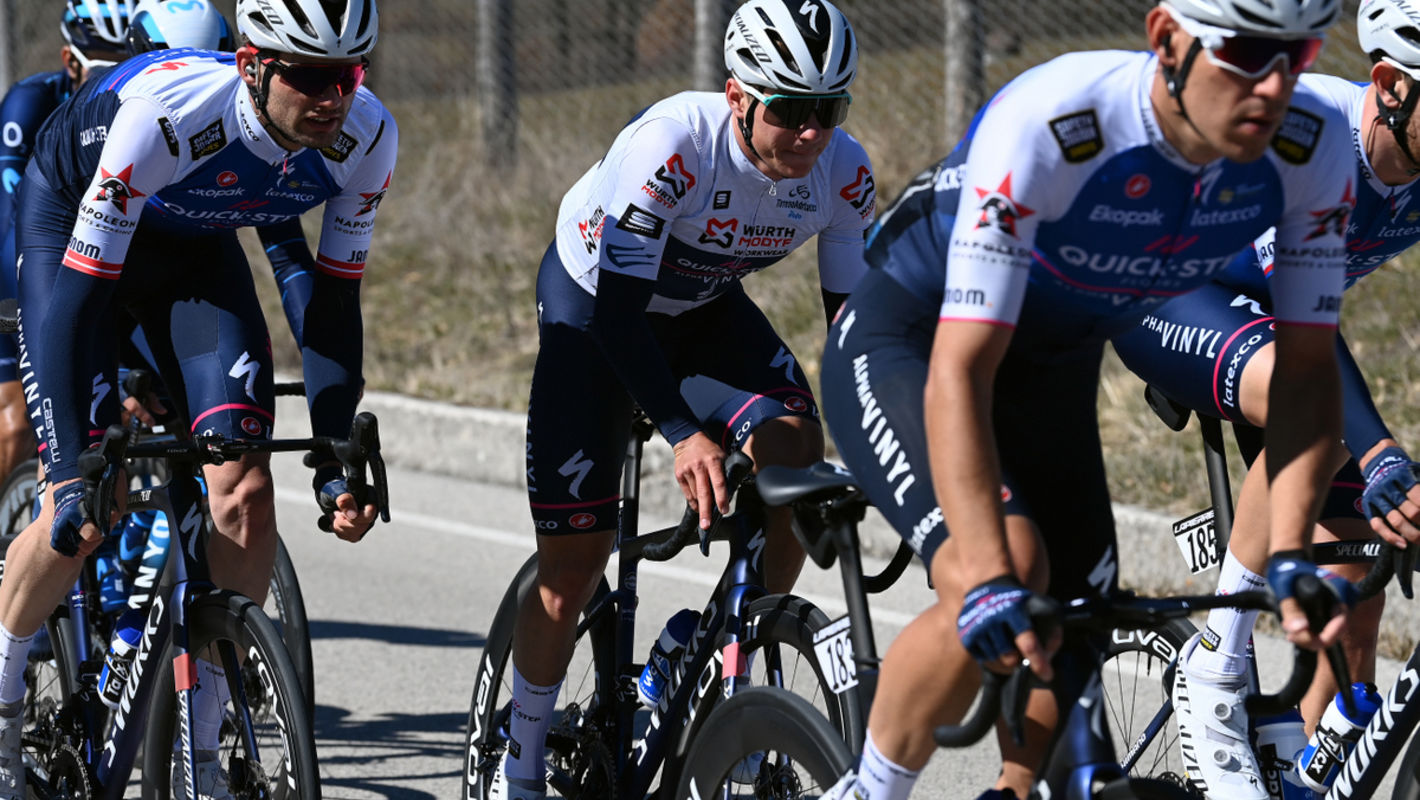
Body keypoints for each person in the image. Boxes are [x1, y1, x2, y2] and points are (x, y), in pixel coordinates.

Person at [816, 1, 1354, 798]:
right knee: (1002, 569)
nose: (1274, 86)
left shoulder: (1313, 144)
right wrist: (991, 574)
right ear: (1167, 38)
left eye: (1296, 54)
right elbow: (961, 370)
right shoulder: (1059, 119)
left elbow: (1309, 372)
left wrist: (1286, 553)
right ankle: (870, 788)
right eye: (1244, 53)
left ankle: (1016, 788)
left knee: (1083, 605)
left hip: (1052, 351)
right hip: (918, 338)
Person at [0, 0, 395, 797]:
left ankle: (201, 759)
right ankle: (4, 702)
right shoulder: (167, 119)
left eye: (349, 74)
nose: (333, 99)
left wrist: (331, 458)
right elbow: (77, 302)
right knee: (77, 508)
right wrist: (69, 458)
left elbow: (327, 298)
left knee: (245, 492)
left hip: (190, 252)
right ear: (252, 65)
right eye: (311, 76)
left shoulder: (367, 136)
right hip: (70, 234)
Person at [497, 1, 875, 797]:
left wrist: (888, 446)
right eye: (792, 111)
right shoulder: (671, 147)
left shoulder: (843, 173)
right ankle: (520, 763)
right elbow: (617, 317)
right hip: (597, 307)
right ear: (738, 97)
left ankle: (702, 645)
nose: (812, 134)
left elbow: (855, 331)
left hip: (702, 308)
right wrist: (682, 432)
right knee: (573, 566)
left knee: (797, 460)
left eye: (829, 111)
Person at [1108, 0, 1420, 793]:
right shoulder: (1312, 134)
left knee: (1359, 569)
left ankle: (1309, 775)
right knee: (1305, 401)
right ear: (1390, 86)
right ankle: (1215, 666)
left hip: (1279, 334)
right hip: (1170, 292)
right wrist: (1381, 449)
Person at [0, 0, 137, 500]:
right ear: (70, 59)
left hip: (99, 257)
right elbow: (12, 213)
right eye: (101, 59)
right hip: (20, 257)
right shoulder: (31, 101)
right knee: (19, 424)